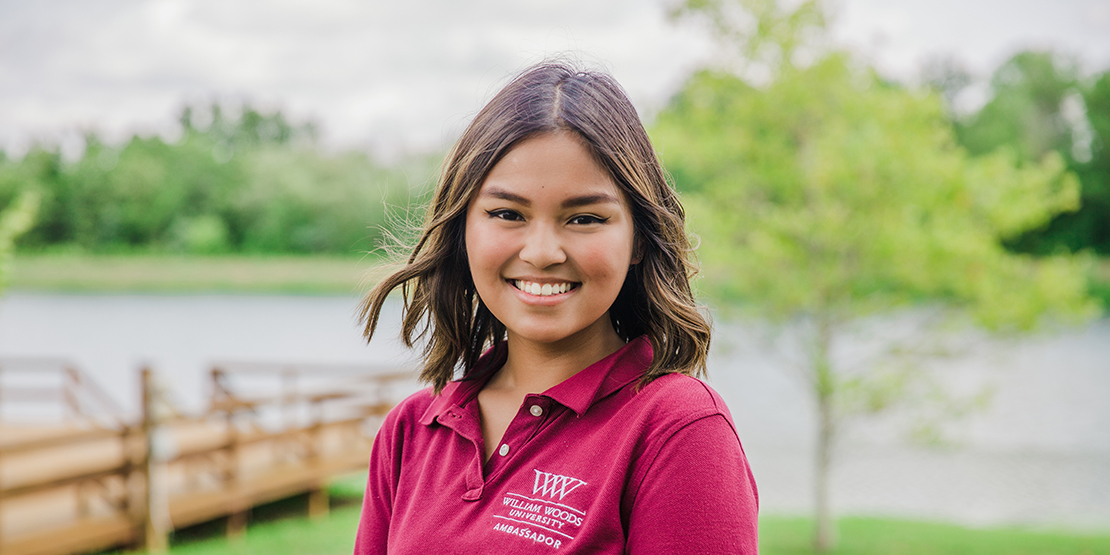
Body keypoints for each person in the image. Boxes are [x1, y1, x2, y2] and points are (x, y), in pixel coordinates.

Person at [354, 61, 758, 554]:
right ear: (463, 229)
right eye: (507, 213)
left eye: (585, 217)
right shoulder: (411, 430)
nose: (542, 252)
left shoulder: (677, 429)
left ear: (638, 239)